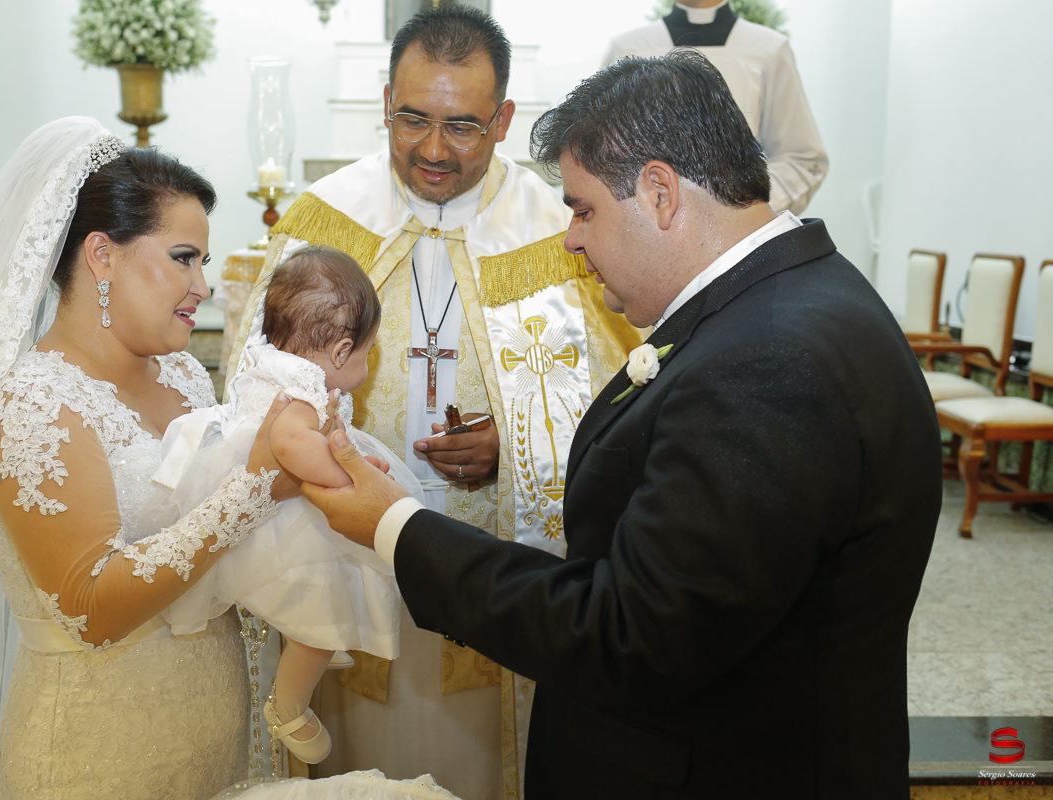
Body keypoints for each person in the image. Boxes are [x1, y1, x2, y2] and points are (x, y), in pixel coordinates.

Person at [301, 52, 943, 798]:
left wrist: (396, 526)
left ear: (660, 193)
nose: (571, 240)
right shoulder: (795, 300)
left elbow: (629, 635)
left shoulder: (764, 362)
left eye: (583, 210)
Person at [226, 7, 643, 798]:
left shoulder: (559, 233)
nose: (434, 149)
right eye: (413, 118)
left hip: (494, 576)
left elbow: (627, 405)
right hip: (341, 564)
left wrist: (515, 449)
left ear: (504, 121)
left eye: (463, 127)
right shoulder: (325, 220)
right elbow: (250, 391)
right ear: (386, 102)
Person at [0, 117, 322, 800]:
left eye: (203, 262)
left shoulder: (185, 377)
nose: (203, 286)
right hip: (96, 748)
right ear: (102, 254)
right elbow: (91, 608)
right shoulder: (30, 405)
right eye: (184, 258)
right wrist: (253, 488)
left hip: (216, 719)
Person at [144, 246, 421, 765]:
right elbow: (291, 446)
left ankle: (312, 644)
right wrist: (350, 475)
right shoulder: (302, 389)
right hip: (279, 516)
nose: (366, 364)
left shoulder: (278, 362)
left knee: (324, 600)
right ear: (340, 351)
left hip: (269, 508)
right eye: (367, 353)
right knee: (322, 612)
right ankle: (289, 706)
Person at [601, 0, 828, 215]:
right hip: (647, 223)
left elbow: (802, 159)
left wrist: (745, 204)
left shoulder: (768, 48)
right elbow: (600, 156)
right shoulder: (628, 48)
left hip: (741, 228)